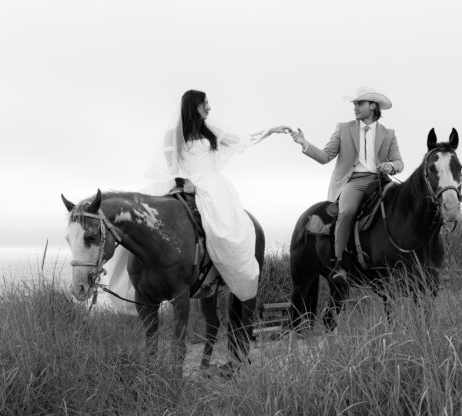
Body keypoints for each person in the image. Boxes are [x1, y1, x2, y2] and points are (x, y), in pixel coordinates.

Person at [106, 89, 289, 312]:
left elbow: (243, 139)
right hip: (185, 183)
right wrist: (183, 180)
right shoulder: (173, 135)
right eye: (205, 103)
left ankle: (222, 273)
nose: (209, 108)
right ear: (194, 106)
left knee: (224, 229)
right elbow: (171, 165)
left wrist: (270, 131)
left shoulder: (211, 130)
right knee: (148, 224)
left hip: (212, 186)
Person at [290, 86, 404, 282]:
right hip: (355, 182)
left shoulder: (388, 133)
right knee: (347, 211)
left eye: (360, 103)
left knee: (404, 205)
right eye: (355, 104)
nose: (355, 107)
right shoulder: (344, 128)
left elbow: (399, 163)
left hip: (380, 180)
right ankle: (340, 264)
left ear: (373, 106)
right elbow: (326, 156)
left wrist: (390, 166)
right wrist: (304, 143)